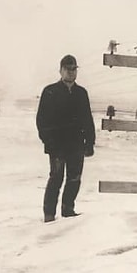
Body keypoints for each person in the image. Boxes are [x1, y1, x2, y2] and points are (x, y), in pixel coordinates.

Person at [36, 54, 95, 223]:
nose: (70, 73)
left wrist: (89, 142)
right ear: (60, 70)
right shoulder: (50, 91)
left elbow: (87, 120)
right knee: (56, 178)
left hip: (76, 145)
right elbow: (41, 120)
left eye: (73, 69)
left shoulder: (81, 93)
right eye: (67, 69)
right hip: (57, 146)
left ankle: (68, 211)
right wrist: (48, 142)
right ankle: (49, 215)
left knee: (74, 178)